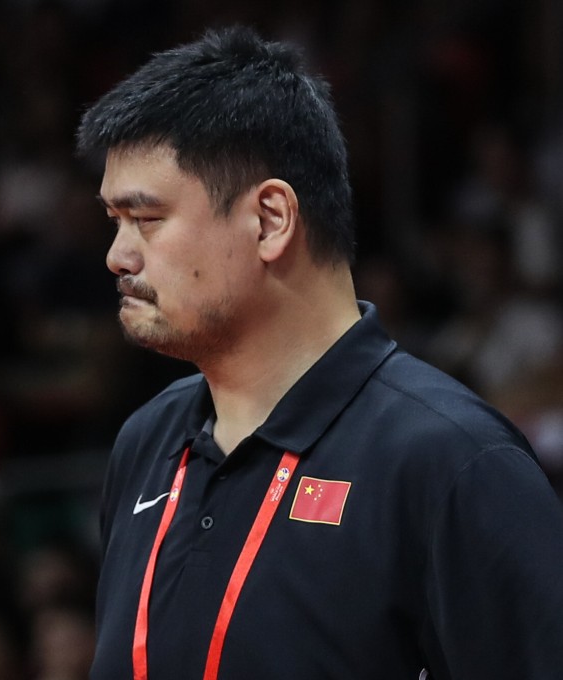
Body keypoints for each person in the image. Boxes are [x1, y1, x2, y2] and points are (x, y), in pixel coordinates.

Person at [74, 25, 563, 680]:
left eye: (147, 219)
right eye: (114, 222)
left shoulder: (454, 462)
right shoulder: (144, 444)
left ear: (271, 219)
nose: (117, 255)